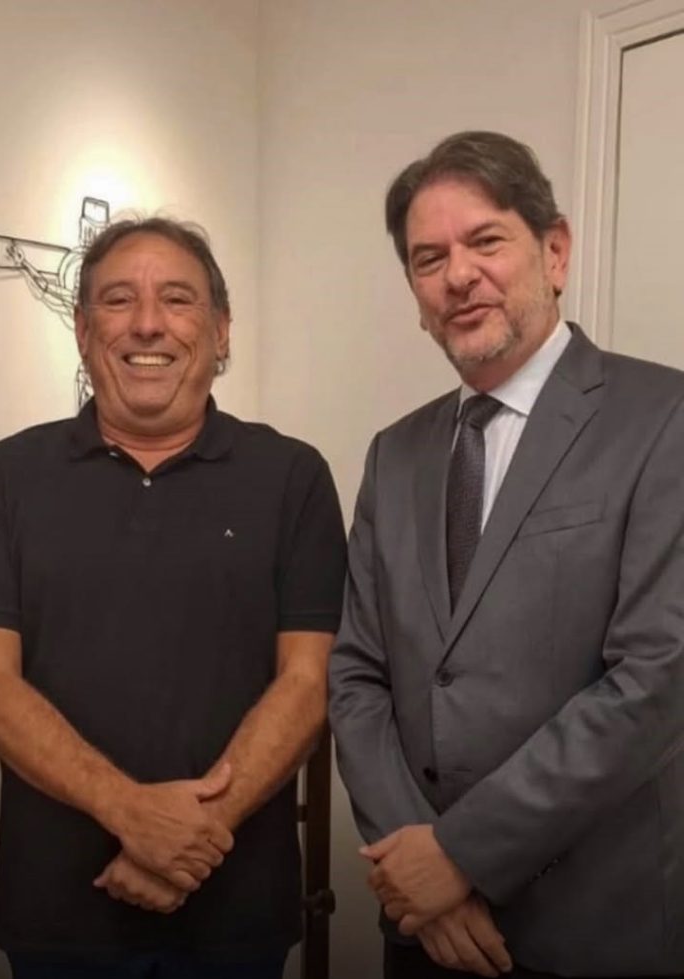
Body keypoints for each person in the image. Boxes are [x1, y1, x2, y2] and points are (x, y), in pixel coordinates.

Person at [0, 216, 346, 978]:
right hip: (61, 914)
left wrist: (185, 838)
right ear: (82, 328)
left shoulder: (292, 477)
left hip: (235, 912)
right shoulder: (3, 478)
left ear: (221, 330)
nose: (148, 323)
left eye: (178, 299)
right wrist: (130, 811)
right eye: (119, 299)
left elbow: (309, 680)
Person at [329, 129, 684, 979]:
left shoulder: (662, 418)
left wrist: (461, 854)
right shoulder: (395, 453)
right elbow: (356, 675)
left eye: (485, 241)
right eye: (428, 258)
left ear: (554, 251)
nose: (458, 275)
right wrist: (418, 863)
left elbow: (658, 675)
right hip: (424, 929)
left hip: (591, 929)